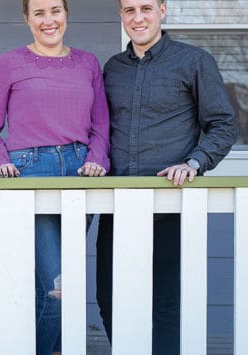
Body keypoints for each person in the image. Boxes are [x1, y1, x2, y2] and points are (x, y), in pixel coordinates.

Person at [96, 0, 237, 354]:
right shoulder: (112, 69)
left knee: (165, 303)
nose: (138, 17)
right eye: (129, 10)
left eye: (146, 8)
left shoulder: (193, 62)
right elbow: (97, 129)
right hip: (117, 207)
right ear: (121, 16)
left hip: (171, 207)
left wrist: (195, 161)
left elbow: (223, 124)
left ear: (162, 10)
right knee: (110, 298)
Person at [0, 0, 110, 353]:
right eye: (39, 13)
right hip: (30, 173)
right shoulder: (10, 63)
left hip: (80, 174)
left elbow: (101, 127)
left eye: (55, 11)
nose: (49, 20)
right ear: (26, 19)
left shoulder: (87, 62)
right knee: (58, 287)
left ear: (66, 14)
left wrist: (97, 159)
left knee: (55, 286)